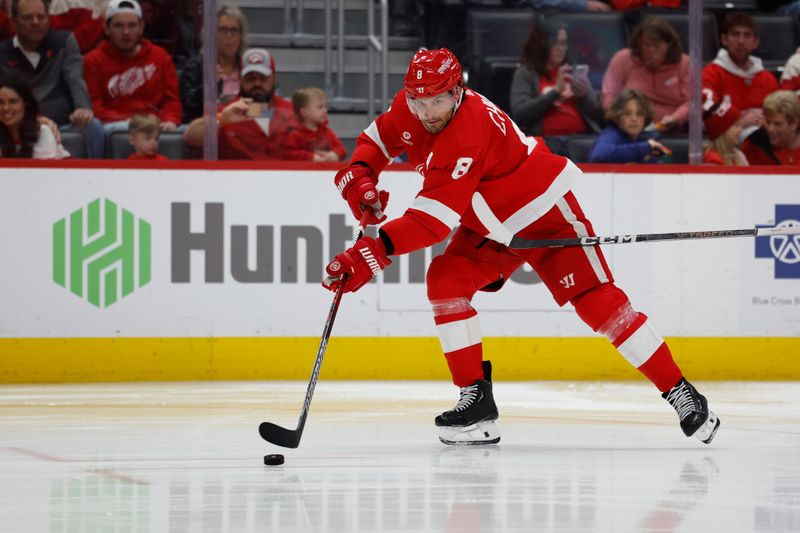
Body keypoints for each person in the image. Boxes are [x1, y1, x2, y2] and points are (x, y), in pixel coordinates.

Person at [322, 48, 720, 446]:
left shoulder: (467, 131)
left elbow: (431, 222)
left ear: (457, 91)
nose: (427, 111)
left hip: (542, 210)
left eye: (437, 100)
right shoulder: (414, 103)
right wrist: (361, 173)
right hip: (489, 224)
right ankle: (475, 401)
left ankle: (680, 391)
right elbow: (378, 138)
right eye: (418, 101)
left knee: (599, 304)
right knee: (445, 279)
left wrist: (371, 254)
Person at [0, 0, 103, 157]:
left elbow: (75, 78)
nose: (35, 22)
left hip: (63, 122)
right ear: (13, 21)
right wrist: (35, 119)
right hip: (20, 125)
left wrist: (83, 107)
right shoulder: (2, 53)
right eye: (28, 17)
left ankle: (95, 179)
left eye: (41, 17)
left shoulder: (64, 42)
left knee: (92, 127)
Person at [83, 0, 182, 139]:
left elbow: (171, 100)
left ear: (141, 27)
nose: (126, 32)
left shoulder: (160, 56)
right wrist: (135, 122)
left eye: (132, 25)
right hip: (115, 127)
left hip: (156, 126)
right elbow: (95, 108)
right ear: (106, 28)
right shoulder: (92, 61)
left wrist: (170, 120)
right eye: (118, 25)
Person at [183, 47, 298, 160]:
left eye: (263, 78)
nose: (257, 83)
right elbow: (191, 137)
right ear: (240, 79)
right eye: (250, 78)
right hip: (237, 177)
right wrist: (222, 120)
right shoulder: (227, 111)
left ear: (274, 78)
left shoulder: (294, 111)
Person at [509, 16, 603, 138]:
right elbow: (520, 115)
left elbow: (599, 117)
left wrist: (584, 97)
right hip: (546, 141)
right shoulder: (525, 74)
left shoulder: (573, 71)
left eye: (563, 43)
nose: (560, 49)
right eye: (554, 44)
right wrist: (555, 92)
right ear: (541, 45)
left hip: (581, 139)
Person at [601, 15, 689, 132]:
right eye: (646, 45)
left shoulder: (685, 63)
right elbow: (609, 95)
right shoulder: (623, 58)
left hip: (670, 130)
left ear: (668, 45)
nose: (651, 51)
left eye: (656, 46)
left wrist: (675, 118)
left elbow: (692, 103)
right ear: (638, 44)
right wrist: (618, 117)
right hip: (628, 129)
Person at [702, 12, 779, 137]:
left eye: (747, 35)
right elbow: (709, 109)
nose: (741, 41)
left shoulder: (766, 77)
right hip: (728, 138)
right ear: (724, 39)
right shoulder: (711, 73)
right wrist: (739, 122)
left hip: (765, 134)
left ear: (756, 42)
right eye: (735, 34)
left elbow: (780, 113)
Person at [179, 3, 246, 123]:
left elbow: (267, 109)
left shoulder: (249, 67)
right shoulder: (196, 67)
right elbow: (188, 109)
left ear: (241, 36)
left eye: (234, 30)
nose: (229, 36)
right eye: (223, 30)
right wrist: (208, 86)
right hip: (207, 132)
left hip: (244, 130)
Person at [589, 88, 670, 164]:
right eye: (627, 113)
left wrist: (654, 158)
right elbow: (599, 154)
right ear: (617, 116)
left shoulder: (650, 137)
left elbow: (667, 160)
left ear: (646, 117)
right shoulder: (611, 134)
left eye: (639, 114)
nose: (634, 119)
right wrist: (645, 148)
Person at [0, 76, 69, 158]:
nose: (6, 108)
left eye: (13, 102)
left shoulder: (42, 131)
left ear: (26, 104)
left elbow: (43, 170)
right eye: (0, 102)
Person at [284, 87, 346, 162]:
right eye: (320, 107)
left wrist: (335, 154)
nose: (325, 110)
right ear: (304, 112)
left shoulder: (327, 132)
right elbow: (289, 154)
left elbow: (341, 149)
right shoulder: (295, 135)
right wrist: (311, 157)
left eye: (325, 107)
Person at [741, 90, 800, 165]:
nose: (770, 129)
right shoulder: (755, 143)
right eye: (768, 122)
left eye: (777, 124)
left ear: (794, 124)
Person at [702, 100, 747, 166]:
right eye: (736, 125)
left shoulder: (738, 155)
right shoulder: (711, 160)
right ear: (722, 131)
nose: (741, 129)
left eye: (741, 125)